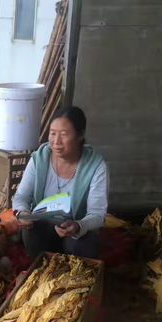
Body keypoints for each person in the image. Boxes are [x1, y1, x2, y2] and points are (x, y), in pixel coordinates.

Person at [12, 106, 108, 260]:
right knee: (30, 232)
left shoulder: (95, 167)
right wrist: (22, 213)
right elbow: (21, 197)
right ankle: (40, 266)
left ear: (80, 135)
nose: (56, 142)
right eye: (52, 133)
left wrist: (78, 226)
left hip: (76, 232)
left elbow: (97, 215)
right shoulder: (40, 159)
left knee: (81, 245)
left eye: (64, 135)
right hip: (44, 226)